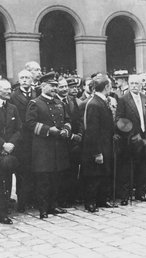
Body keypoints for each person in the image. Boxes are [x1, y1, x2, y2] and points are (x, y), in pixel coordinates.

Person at [25, 74, 71, 219]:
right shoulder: (35, 103)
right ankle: (43, 209)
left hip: (59, 147)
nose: (55, 88)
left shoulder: (60, 103)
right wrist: (48, 130)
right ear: (43, 86)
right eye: (52, 85)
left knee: (56, 178)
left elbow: (68, 120)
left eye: (56, 85)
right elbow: (30, 124)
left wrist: (66, 130)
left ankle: (53, 205)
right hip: (43, 148)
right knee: (44, 180)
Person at [116, 74, 146, 204]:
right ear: (129, 84)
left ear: (141, 85)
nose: (135, 86)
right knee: (127, 168)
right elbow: (119, 120)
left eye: (137, 84)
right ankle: (125, 195)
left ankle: (140, 192)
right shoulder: (123, 100)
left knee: (143, 166)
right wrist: (131, 133)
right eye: (132, 83)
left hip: (145, 138)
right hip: (130, 139)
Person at [81, 74, 116, 212]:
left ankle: (101, 200)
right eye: (110, 86)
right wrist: (97, 152)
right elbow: (92, 131)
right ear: (106, 87)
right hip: (96, 147)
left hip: (105, 145)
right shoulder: (95, 104)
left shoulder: (100, 101)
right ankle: (90, 202)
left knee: (103, 174)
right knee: (93, 176)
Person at [0, 79, 22, 224]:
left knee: (6, 182)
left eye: (10, 88)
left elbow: (18, 129)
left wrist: (11, 144)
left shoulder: (12, 108)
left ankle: (3, 214)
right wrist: (2, 144)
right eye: (6, 89)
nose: (9, 91)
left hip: (8, 151)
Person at [9, 70, 37, 212]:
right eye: (22, 78)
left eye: (27, 78)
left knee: (36, 169)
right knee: (22, 171)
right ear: (19, 80)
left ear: (32, 80)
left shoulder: (36, 93)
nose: (24, 80)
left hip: (36, 138)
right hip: (22, 140)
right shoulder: (13, 96)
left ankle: (34, 199)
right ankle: (23, 202)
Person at [55, 78, 83, 207]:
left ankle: (72, 196)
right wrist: (70, 135)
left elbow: (78, 120)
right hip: (61, 141)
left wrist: (79, 134)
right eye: (61, 87)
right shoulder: (54, 102)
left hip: (74, 142)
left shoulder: (72, 101)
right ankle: (61, 199)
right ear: (56, 89)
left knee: (73, 170)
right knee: (62, 172)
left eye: (66, 86)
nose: (65, 89)